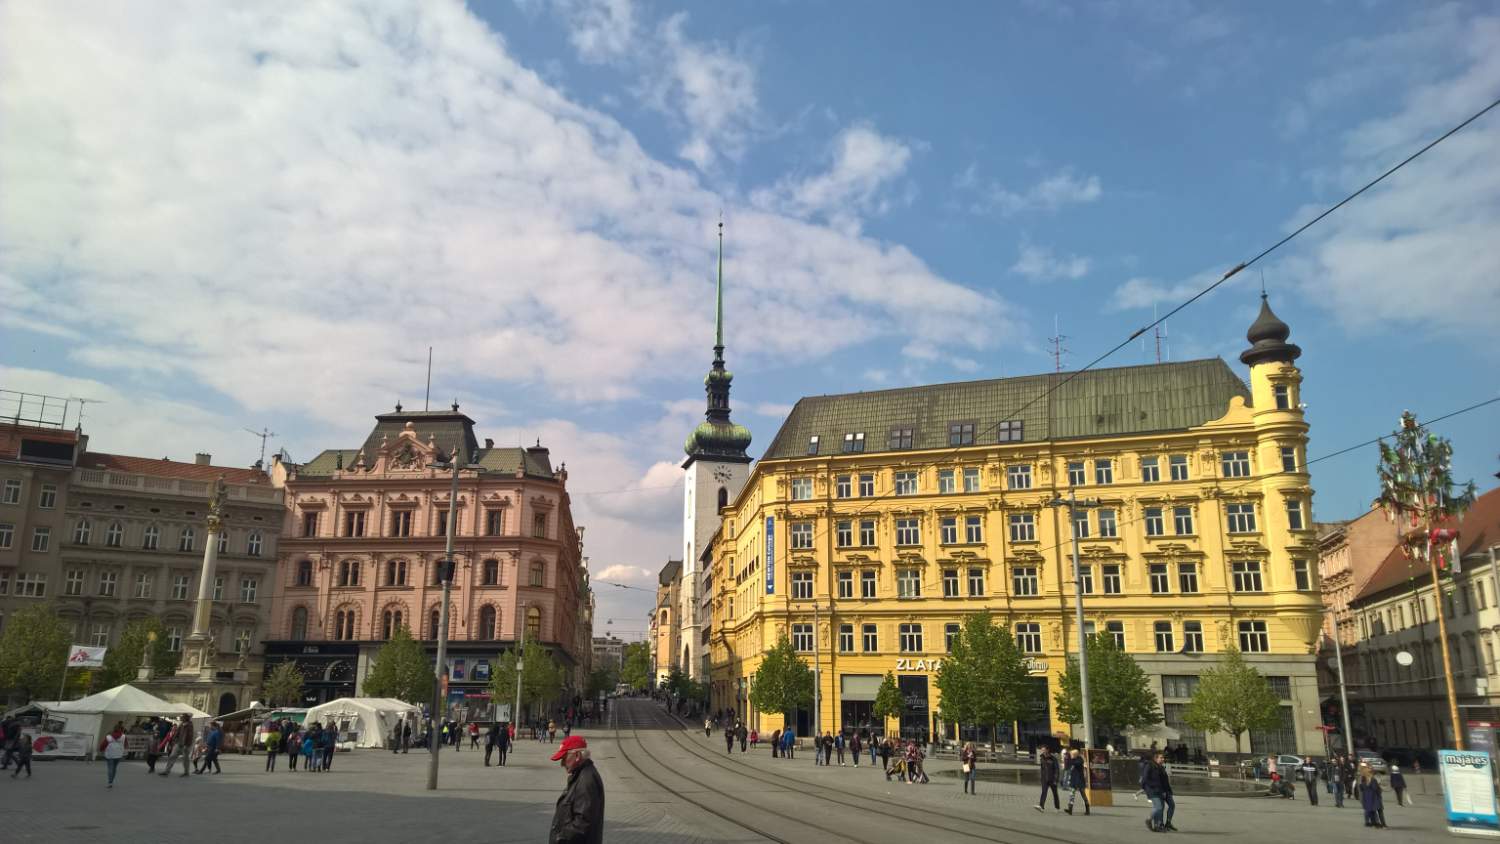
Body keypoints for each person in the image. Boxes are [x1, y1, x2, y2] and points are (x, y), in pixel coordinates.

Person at [549, 736, 604, 844]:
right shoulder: (581, 775)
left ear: (577, 756)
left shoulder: (586, 780)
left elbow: (583, 822)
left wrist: (560, 839)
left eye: (564, 758)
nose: (562, 764)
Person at [1142, 750, 1177, 832]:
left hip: (1163, 790)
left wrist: (1168, 791)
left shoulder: (1160, 767)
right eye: (1161, 758)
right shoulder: (1149, 766)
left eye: (1163, 758)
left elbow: (1164, 781)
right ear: (1155, 758)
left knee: (1171, 805)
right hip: (1154, 790)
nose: (1163, 759)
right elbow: (1145, 779)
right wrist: (1150, 789)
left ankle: (1166, 824)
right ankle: (1154, 822)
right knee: (1159, 807)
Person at [101, 722, 127, 788]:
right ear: (121, 729)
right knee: (114, 768)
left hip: (110, 754)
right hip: (118, 754)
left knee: (110, 768)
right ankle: (112, 781)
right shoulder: (124, 736)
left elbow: (103, 745)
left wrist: (101, 749)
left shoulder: (108, 736)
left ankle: (110, 782)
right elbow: (126, 745)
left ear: (114, 729)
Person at [1065, 748, 1090, 815]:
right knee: (1072, 794)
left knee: (1083, 794)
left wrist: (1071, 759)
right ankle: (1070, 809)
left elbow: (1076, 764)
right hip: (1073, 779)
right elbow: (1067, 767)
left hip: (1079, 779)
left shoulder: (1080, 760)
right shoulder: (1072, 759)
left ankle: (1087, 808)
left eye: (1072, 754)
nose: (1071, 755)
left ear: (1075, 754)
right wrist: (1068, 758)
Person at [1036, 746, 1061, 811]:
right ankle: (1041, 806)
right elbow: (1042, 769)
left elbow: (1057, 770)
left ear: (1047, 750)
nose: (1042, 751)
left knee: (1055, 794)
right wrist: (1041, 777)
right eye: (1042, 750)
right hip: (1044, 779)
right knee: (1044, 792)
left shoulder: (1053, 759)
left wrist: (1056, 779)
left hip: (1052, 779)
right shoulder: (1042, 758)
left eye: (1043, 750)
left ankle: (1057, 807)